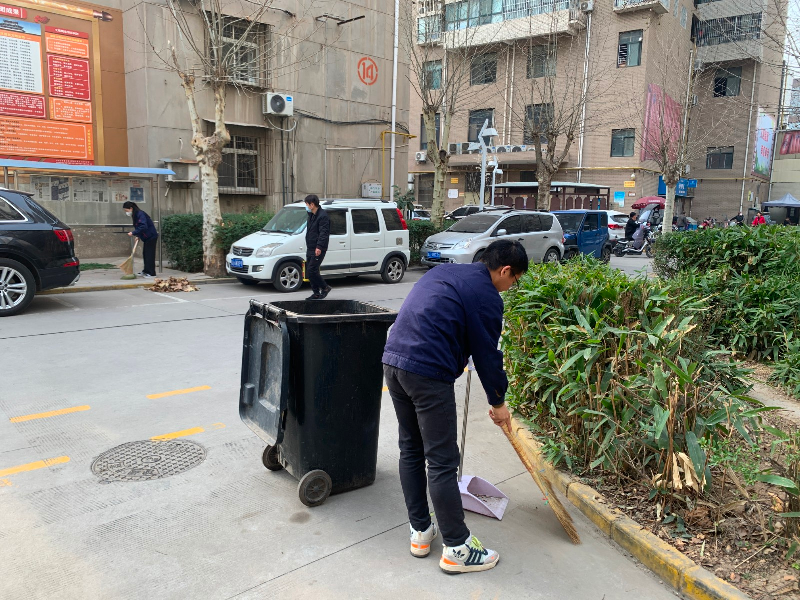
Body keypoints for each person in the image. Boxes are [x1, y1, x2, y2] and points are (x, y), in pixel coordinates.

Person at [382, 240, 528, 574]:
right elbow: (488, 356)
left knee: (411, 450)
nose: (511, 287)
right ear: (505, 270)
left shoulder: (445, 272)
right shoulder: (487, 295)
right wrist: (498, 402)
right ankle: (457, 548)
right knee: (443, 460)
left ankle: (421, 532)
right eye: (515, 281)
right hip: (427, 372)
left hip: (393, 361)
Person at [304, 194, 331, 300]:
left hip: (318, 248)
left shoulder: (323, 216)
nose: (306, 206)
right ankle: (316, 293)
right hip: (310, 247)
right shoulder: (311, 215)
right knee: (310, 271)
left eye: (307, 204)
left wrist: (319, 247)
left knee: (312, 270)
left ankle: (325, 287)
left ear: (312, 204)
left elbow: (324, 233)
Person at [123, 201, 158, 278]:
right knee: (145, 254)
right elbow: (139, 226)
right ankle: (146, 271)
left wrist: (133, 232)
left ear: (131, 208)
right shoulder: (136, 214)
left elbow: (143, 226)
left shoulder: (140, 214)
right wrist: (138, 235)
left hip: (151, 236)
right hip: (146, 237)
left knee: (149, 255)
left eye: (126, 210)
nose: (126, 212)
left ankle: (152, 273)